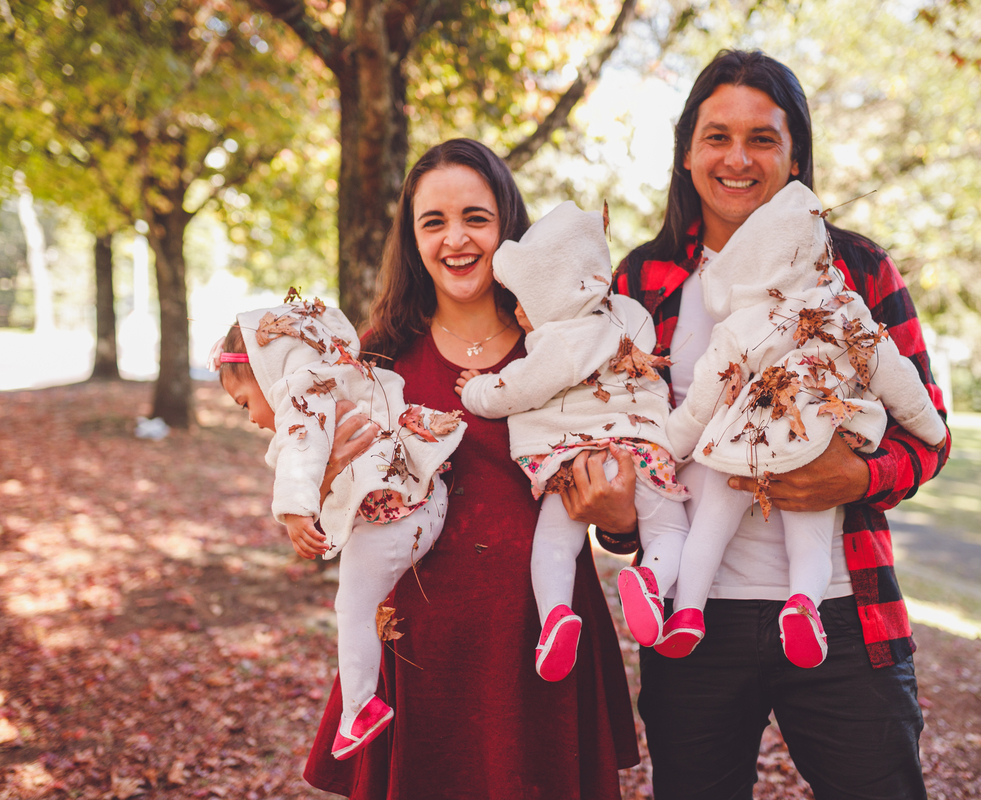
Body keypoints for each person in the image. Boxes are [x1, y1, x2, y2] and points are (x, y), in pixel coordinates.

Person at [579, 49, 951, 799]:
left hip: (845, 613)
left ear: (795, 156)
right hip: (696, 621)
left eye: (762, 138)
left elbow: (929, 430)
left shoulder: (858, 271)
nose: (738, 158)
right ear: (688, 154)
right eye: (717, 136)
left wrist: (859, 477)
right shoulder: (641, 283)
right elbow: (619, 444)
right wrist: (617, 524)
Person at [300, 138, 638, 800]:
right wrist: (324, 490)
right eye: (434, 222)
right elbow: (332, 507)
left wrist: (621, 511)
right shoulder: (379, 360)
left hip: (542, 632)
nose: (456, 238)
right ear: (414, 239)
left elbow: (622, 478)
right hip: (420, 642)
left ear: (507, 228)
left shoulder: (571, 347)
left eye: (475, 218)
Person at [660, 180, 947, 670]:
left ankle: (687, 610)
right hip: (810, 440)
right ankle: (803, 607)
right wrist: (931, 429)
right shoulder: (848, 312)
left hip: (743, 444)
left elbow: (707, 392)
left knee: (709, 526)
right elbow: (898, 380)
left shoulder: (747, 321)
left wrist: (672, 447)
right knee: (810, 543)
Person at [211, 299, 465, 760]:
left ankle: (360, 708)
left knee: (352, 607)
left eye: (245, 401)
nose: (250, 417)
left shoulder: (304, 399)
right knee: (360, 603)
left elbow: (300, 448)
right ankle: (360, 705)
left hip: (394, 524)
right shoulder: (345, 377)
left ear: (269, 375)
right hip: (428, 501)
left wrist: (294, 510)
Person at [456, 200, 691, 678]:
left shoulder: (560, 341)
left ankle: (557, 617)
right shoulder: (628, 313)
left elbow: (516, 389)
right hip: (643, 451)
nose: (519, 309)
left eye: (526, 297)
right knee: (670, 532)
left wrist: (476, 389)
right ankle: (649, 581)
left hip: (575, 460)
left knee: (554, 547)